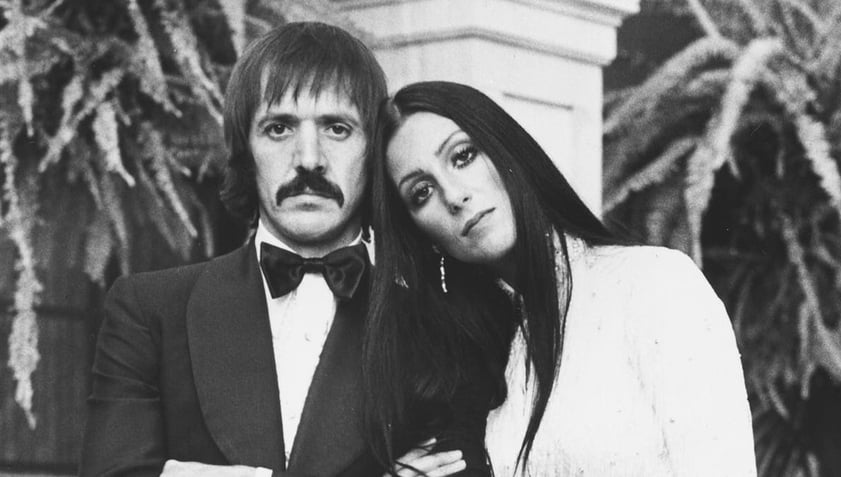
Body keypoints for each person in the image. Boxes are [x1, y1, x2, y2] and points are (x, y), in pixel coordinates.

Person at [80, 23, 472, 477]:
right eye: (279, 127)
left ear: (374, 152)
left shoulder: (435, 325)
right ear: (244, 149)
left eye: (338, 128)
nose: (309, 159)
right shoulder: (148, 311)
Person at [364, 81, 758, 476]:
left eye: (463, 156)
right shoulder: (483, 356)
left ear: (507, 150)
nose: (453, 195)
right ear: (420, 235)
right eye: (421, 192)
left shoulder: (655, 284)